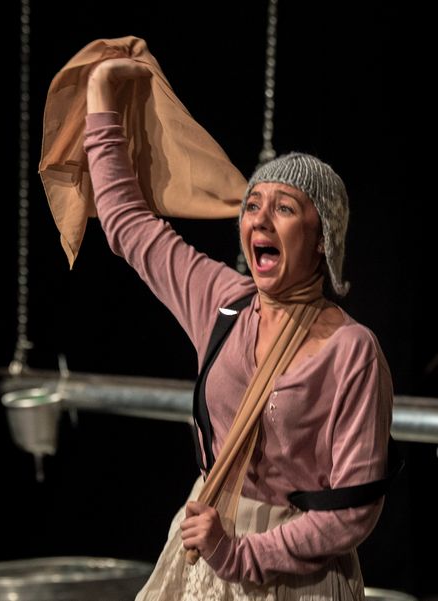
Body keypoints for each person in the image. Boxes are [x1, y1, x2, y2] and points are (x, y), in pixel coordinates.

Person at [84, 58, 394, 601]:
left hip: (295, 577)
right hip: (204, 558)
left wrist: (240, 554)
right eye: (252, 205)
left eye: (285, 208)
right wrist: (100, 93)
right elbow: (127, 223)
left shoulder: (351, 351)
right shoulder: (222, 302)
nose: (260, 219)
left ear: (322, 239)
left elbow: (353, 510)